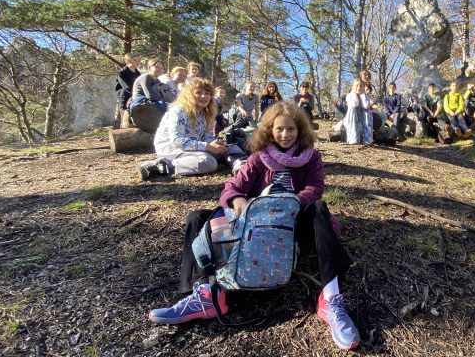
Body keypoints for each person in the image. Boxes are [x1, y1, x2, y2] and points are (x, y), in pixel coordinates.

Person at [147, 102, 360, 351]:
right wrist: (239, 201)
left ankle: (330, 298)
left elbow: (315, 189)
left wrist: (288, 203)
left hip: (294, 222)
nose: (285, 134)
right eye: (279, 129)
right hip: (256, 225)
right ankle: (207, 295)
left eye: (291, 129)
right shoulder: (259, 158)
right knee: (197, 217)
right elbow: (233, 187)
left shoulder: (311, 157)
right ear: (269, 130)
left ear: (300, 130)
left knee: (320, 209)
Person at [137, 78, 245, 179]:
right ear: (189, 95)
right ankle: (161, 165)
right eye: (199, 92)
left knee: (229, 146)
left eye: (207, 93)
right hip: (170, 148)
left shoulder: (207, 114)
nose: (204, 96)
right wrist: (207, 146)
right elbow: (177, 141)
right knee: (208, 161)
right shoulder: (179, 111)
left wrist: (216, 144)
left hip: (192, 147)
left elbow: (206, 136)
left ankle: (243, 167)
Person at [342, 80, 366, 144]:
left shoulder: (364, 97)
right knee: (352, 108)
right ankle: (352, 138)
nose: (359, 87)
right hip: (350, 122)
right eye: (356, 85)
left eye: (361, 86)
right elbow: (354, 104)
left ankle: (367, 138)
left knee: (367, 111)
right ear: (353, 87)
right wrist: (354, 93)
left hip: (360, 123)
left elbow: (366, 106)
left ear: (363, 88)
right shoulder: (349, 96)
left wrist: (363, 95)